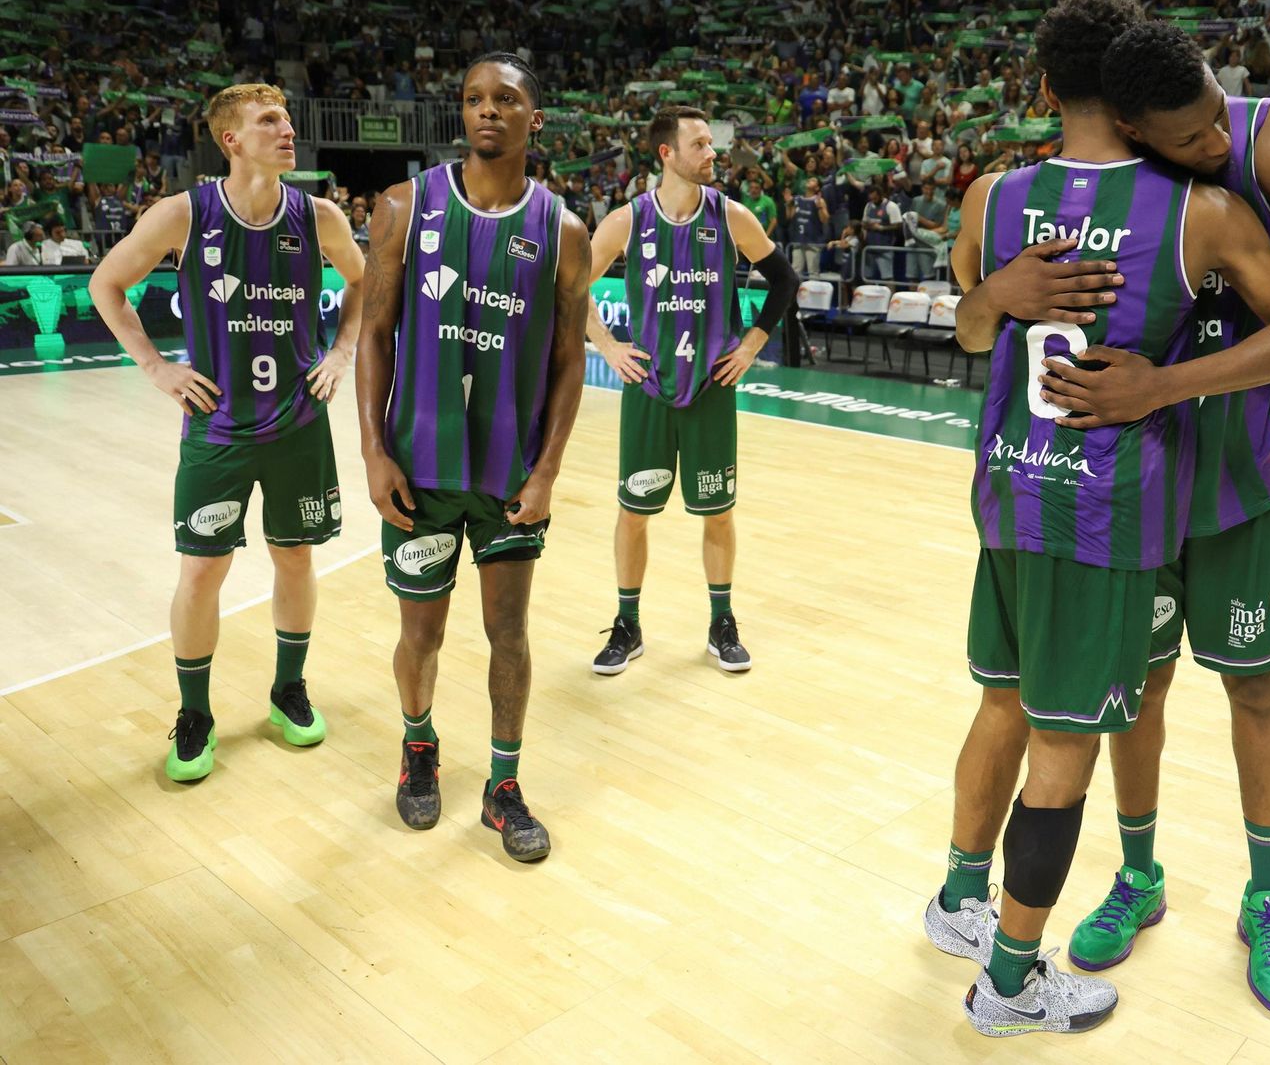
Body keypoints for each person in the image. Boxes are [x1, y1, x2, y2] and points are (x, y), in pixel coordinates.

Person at [928, 7, 1270, 1025]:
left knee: (1253, 688)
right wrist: (994, 292)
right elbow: (968, 306)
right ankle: (1136, 872)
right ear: (1122, 124)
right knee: (1136, 693)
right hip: (1125, 486)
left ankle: (1267, 896)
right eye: (1190, 135)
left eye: (1216, 116)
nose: (1217, 142)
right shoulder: (1061, 191)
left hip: (1237, 471)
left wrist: (1162, 385)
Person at [87, 84, 365, 782]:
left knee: (295, 558)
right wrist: (156, 367)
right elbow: (106, 284)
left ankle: (288, 689)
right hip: (218, 426)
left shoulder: (318, 215)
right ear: (230, 140)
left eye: (288, 118)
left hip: (298, 422)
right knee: (204, 569)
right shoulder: (183, 215)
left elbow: (369, 283)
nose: (287, 129)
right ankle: (194, 713)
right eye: (268, 121)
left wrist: (340, 353)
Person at [356, 53, 590, 862]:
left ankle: (503, 786)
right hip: (417, 472)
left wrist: (550, 469)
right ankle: (419, 747)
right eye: (473, 99)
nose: (486, 111)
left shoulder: (562, 231)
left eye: (506, 100)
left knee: (509, 633)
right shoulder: (402, 206)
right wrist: (373, 449)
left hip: (508, 479)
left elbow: (568, 361)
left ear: (534, 118)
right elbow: (373, 335)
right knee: (421, 634)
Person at [585, 106, 797, 676]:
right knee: (633, 513)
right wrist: (607, 345)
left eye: (711, 144)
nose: (712, 154)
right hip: (649, 387)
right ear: (667, 155)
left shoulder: (730, 216)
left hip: (710, 385)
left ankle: (721, 622)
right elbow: (570, 282)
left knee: (718, 513)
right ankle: (627, 626)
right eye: (700, 145)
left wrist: (751, 344)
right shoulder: (628, 221)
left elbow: (784, 280)